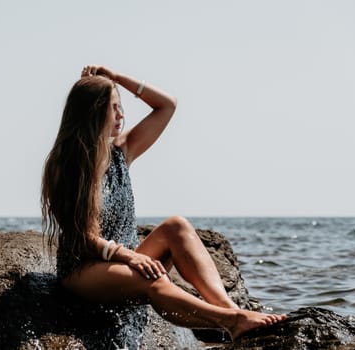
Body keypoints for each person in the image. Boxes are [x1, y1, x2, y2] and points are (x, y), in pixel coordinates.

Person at [41, 65, 286, 340]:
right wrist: (130, 256)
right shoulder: (67, 165)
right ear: (93, 112)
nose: (121, 114)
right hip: (83, 271)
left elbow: (167, 105)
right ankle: (230, 321)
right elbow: (82, 236)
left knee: (176, 226)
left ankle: (231, 312)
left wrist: (117, 78)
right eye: (113, 107)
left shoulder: (121, 152)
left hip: (121, 262)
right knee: (153, 279)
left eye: (120, 106)